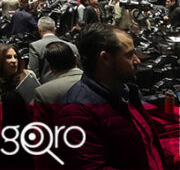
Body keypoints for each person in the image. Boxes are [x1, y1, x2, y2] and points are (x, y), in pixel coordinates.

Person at [56, 24, 170, 169]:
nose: (137, 61)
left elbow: (145, 149)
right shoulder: (75, 112)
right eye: (129, 55)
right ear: (105, 58)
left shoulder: (126, 92)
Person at [28, 17, 78, 83]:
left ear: (39, 30)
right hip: (72, 87)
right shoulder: (72, 46)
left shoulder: (35, 46)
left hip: (46, 89)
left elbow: (34, 74)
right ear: (55, 29)